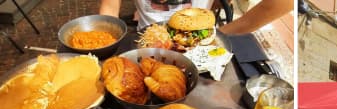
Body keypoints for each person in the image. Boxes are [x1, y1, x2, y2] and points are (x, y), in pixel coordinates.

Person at [99, 0, 293, 34]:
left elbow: (282, 4)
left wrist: (221, 34)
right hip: (145, 41)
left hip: (201, 50)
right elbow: (109, 6)